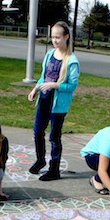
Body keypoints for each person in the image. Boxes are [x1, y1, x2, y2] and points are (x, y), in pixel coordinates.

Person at [27, 21, 80, 181]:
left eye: (58, 37)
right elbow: (44, 76)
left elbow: (72, 85)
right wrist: (35, 88)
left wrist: (55, 85)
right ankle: (40, 160)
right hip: (44, 99)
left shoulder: (71, 60)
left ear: (66, 37)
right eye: (53, 37)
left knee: (54, 137)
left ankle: (54, 169)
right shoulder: (50, 54)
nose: (55, 40)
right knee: (37, 132)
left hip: (58, 104)